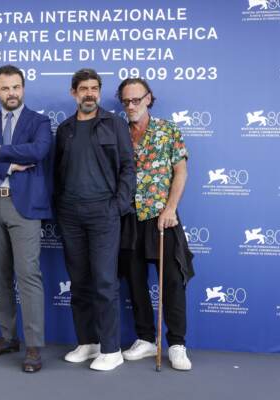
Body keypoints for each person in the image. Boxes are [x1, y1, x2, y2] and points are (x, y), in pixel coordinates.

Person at [0, 64, 52, 373]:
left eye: (16, 87)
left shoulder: (39, 122)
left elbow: (38, 151)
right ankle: (7, 337)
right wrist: (9, 166)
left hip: (24, 207)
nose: (11, 93)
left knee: (28, 275)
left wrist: (0, 151)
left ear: (23, 88)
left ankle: (33, 346)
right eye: (5, 88)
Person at [54, 68, 135, 371]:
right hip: (70, 214)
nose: (89, 93)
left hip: (104, 212)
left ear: (99, 92)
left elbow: (128, 167)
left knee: (104, 281)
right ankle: (87, 342)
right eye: (84, 88)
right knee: (79, 282)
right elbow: (57, 172)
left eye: (94, 88)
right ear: (74, 93)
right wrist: (60, 207)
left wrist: (118, 205)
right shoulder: (65, 129)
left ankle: (111, 349)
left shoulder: (114, 124)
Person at [116, 78, 194, 371]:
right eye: (126, 101)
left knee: (172, 281)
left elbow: (181, 171)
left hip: (163, 216)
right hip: (128, 218)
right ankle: (146, 339)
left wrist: (171, 208)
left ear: (149, 98)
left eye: (137, 99)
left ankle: (176, 343)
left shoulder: (168, 130)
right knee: (135, 281)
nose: (131, 106)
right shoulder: (118, 133)